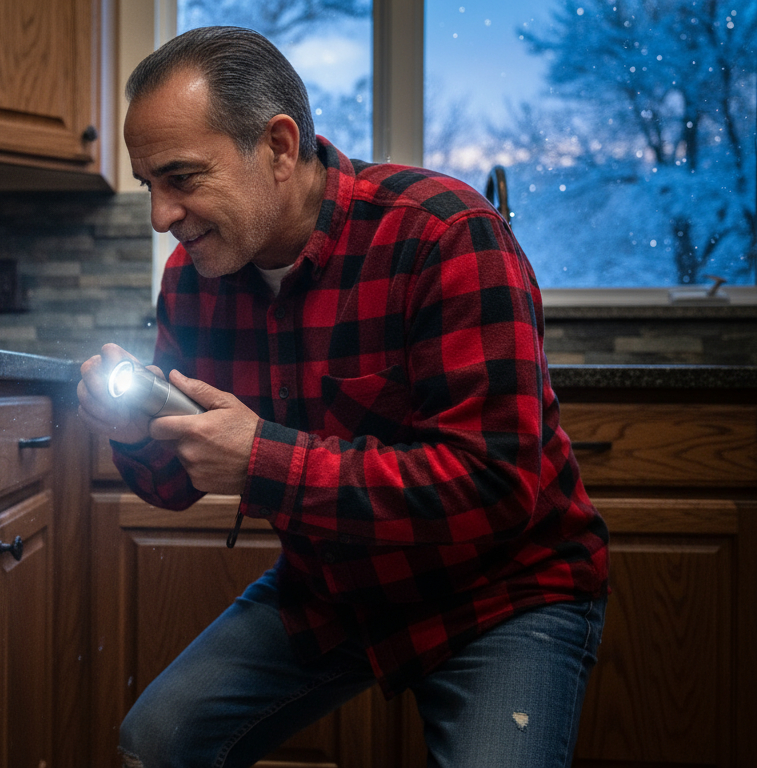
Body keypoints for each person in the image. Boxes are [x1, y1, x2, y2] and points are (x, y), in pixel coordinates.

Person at [76, 26, 610, 768]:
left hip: (502, 591)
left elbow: (493, 487)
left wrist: (262, 460)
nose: (162, 216)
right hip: (333, 588)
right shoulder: (192, 281)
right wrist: (131, 427)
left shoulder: (446, 235)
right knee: (154, 741)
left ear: (280, 146)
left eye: (183, 178)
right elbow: (168, 485)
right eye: (149, 186)